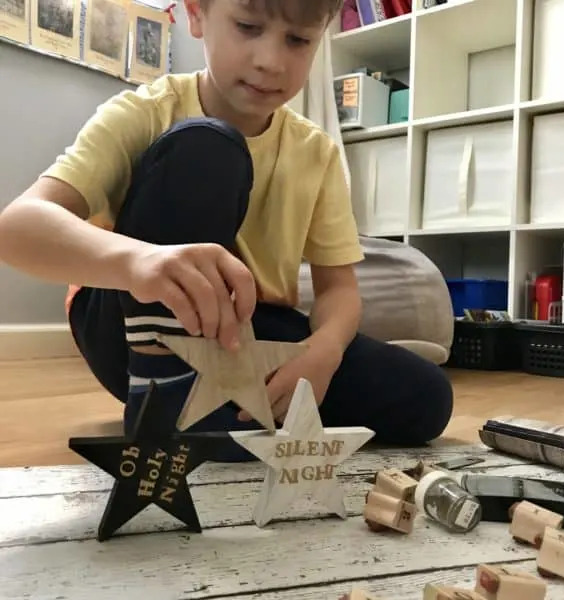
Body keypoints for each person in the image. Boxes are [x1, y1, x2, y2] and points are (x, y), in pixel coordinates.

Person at [0, 0, 453, 461]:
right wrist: (139, 260)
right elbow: (18, 228)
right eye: (247, 27)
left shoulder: (317, 154)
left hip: (246, 329)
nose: (270, 61)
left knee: (426, 399)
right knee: (206, 147)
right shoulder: (146, 111)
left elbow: (338, 289)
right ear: (196, 15)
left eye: (298, 40)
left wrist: (324, 350)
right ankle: (175, 405)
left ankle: (233, 407)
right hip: (131, 325)